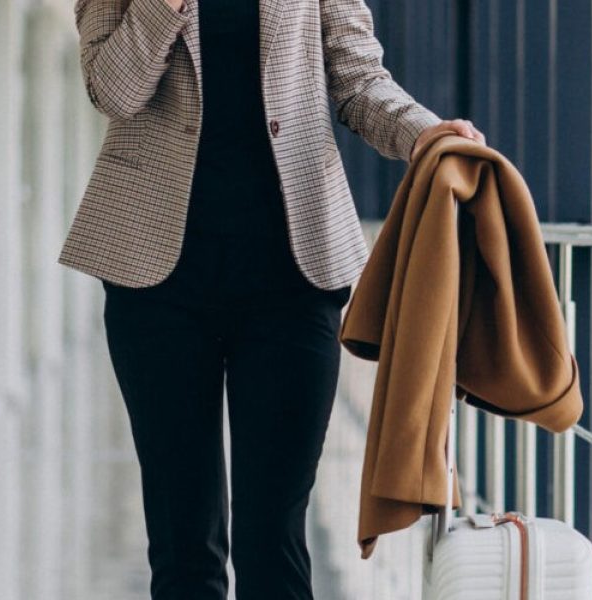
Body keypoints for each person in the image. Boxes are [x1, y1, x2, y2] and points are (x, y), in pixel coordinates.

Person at [59, 0, 483, 597]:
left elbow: (357, 79)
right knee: (183, 539)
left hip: (292, 276)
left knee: (275, 531)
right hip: (157, 279)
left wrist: (423, 133)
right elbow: (113, 90)